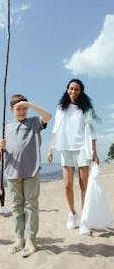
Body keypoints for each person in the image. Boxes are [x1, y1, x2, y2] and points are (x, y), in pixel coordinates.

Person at [0, 94, 51, 257]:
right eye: (18, 108)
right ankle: (19, 239)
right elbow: (2, 150)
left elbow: (48, 116)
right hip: (12, 172)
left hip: (31, 171)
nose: (21, 111)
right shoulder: (5, 127)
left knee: (31, 206)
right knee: (16, 207)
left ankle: (30, 239)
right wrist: (0, 146)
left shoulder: (34, 122)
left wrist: (30, 104)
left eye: (24, 108)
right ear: (11, 110)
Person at [47, 79, 100, 235]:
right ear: (67, 89)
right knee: (67, 185)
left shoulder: (86, 109)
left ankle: (84, 220)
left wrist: (94, 152)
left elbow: (92, 131)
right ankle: (72, 213)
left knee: (84, 185)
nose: (73, 91)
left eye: (76, 89)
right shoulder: (61, 108)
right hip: (66, 148)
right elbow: (55, 128)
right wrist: (51, 148)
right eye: (71, 88)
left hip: (83, 148)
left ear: (81, 91)